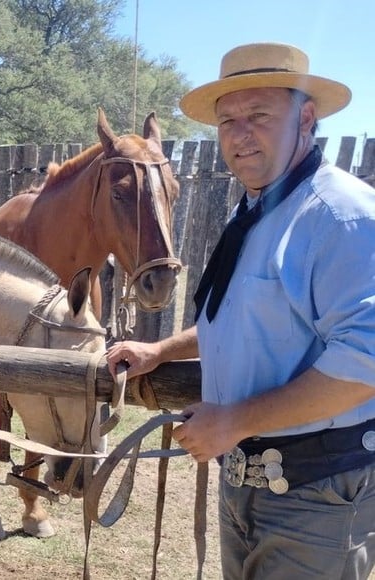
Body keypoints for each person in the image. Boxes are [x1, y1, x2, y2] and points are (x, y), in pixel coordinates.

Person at [106, 42, 375, 579]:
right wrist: (159, 350)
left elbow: (365, 361)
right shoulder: (255, 211)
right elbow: (234, 320)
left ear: (305, 118)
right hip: (249, 480)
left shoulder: (341, 215)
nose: (239, 133)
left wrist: (234, 420)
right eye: (228, 120)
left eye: (258, 116)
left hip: (318, 495)